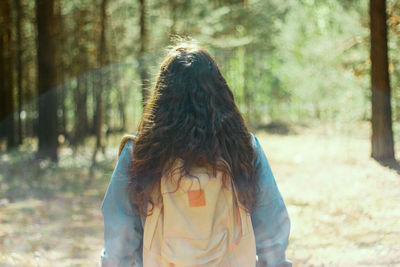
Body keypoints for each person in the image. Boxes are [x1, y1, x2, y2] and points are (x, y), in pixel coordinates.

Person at [100, 42, 292, 266]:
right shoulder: (244, 149)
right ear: (220, 93)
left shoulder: (140, 153)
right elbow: (271, 224)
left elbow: (119, 235)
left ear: (162, 96)